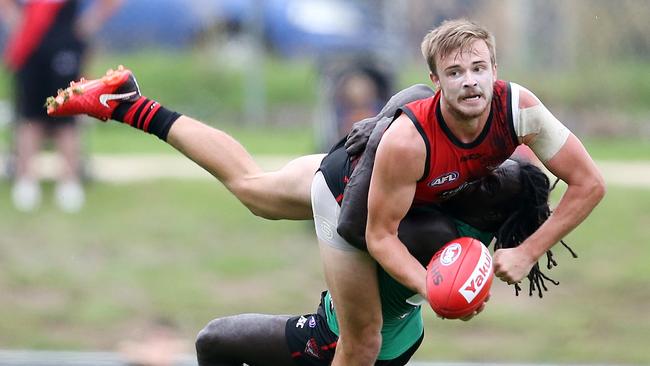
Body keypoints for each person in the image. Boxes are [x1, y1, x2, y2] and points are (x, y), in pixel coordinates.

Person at [46, 17, 605, 364]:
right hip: (349, 205)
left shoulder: (516, 117)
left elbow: (587, 184)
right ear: (436, 81)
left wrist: (529, 249)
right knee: (360, 347)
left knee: (252, 186)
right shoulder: (418, 143)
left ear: (495, 69)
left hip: (367, 169)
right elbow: (377, 236)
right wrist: (434, 289)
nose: (471, 81)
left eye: (479, 68)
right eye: (456, 72)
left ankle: (128, 102)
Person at [194, 157, 557, 366]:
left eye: (489, 184)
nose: (479, 176)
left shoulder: (434, 230)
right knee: (250, 184)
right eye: (488, 168)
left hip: (343, 339)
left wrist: (371, 139)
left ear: (495, 214)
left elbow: (354, 221)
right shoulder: (470, 227)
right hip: (400, 337)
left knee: (214, 341)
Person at [0, 0, 122, 212]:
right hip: (30, 47)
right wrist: (16, 22)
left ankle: (69, 182)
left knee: (68, 115)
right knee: (29, 117)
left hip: (65, 44)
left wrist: (88, 24)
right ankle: (26, 181)